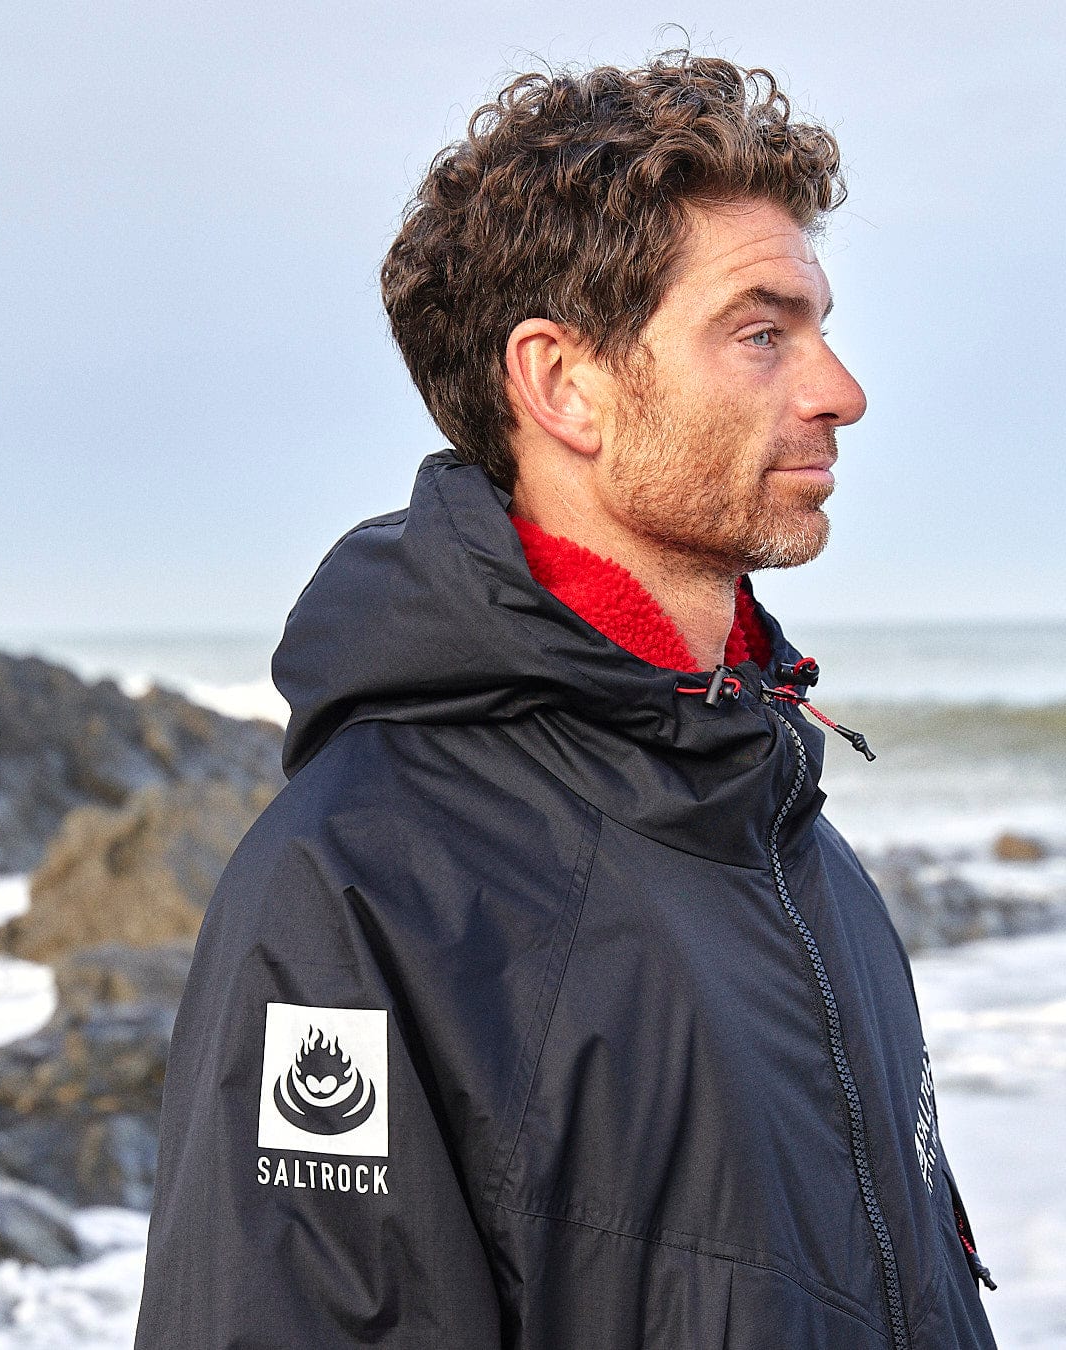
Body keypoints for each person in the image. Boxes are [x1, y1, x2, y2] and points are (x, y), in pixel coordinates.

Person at [136, 51, 999, 1349]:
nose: (841, 390)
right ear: (563, 385)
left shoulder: (802, 855)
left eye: (818, 324)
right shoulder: (357, 881)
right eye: (762, 331)